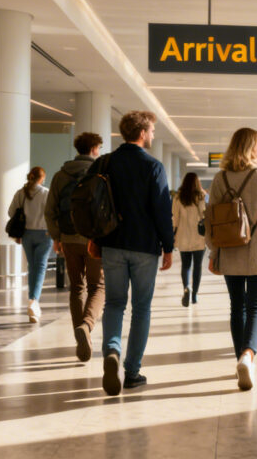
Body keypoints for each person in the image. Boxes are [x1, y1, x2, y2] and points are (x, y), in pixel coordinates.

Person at [90, 111, 174, 396]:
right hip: (144, 247)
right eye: (151, 131)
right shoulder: (153, 166)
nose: (152, 136)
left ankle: (111, 350)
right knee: (141, 308)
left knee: (114, 303)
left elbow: (91, 202)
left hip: (112, 243)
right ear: (142, 132)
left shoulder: (105, 162)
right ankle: (132, 370)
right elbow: (162, 210)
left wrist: (95, 238)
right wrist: (168, 246)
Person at [206, 128, 257, 390]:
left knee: (236, 306)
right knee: (256, 306)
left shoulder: (220, 178)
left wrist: (212, 249)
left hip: (229, 247)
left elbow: (211, 218)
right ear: (251, 147)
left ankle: (240, 357)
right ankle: (248, 356)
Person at [45, 132, 105, 362]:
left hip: (68, 238)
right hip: (94, 239)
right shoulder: (100, 173)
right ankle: (87, 326)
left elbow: (50, 210)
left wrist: (57, 236)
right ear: (93, 149)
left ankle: (81, 335)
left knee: (76, 288)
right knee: (98, 286)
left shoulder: (61, 175)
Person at [8, 166, 51, 324]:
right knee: (40, 267)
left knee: (32, 267)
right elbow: (51, 213)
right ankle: (34, 301)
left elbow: (11, 212)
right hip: (44, 234)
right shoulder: (46, 193)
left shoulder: (21, 193)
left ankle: (33, 300)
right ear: (42, 178)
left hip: (26, 234)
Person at [173, 172, 207, 307]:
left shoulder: (177, 197)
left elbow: (175, 218)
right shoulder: (201, 196)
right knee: (197, 266)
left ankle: (186, 287)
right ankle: (195, 296)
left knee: (186, 265)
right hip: (199, 237)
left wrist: (173, 234)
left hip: (183, 237)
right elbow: (204, 214)